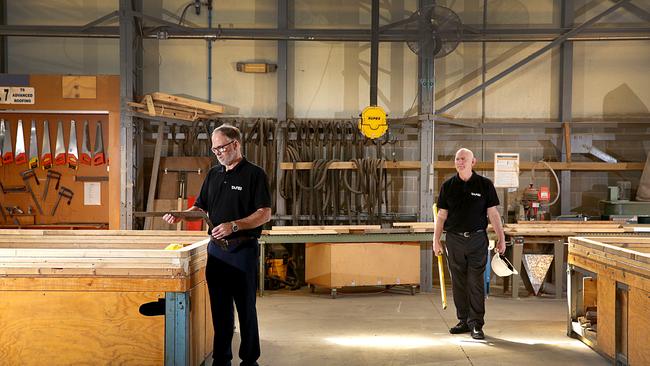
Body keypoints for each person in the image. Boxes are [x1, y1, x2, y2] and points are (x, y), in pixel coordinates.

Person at [163, 124, 271, 366]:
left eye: (222, 147)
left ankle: (249, 359)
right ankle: (221, 359)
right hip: (217, 253)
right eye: (214, 149)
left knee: (246, 309)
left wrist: (235, 225)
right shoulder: (213, 174)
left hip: (243, 250)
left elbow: (264, 213)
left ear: (235, 144)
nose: (218, 152)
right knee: (220, 310)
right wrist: (182, 215)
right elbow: (200, 208)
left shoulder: (255, 174)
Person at [433, 148, 506, 340]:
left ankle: (476, 324)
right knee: (458, 283)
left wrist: (501, 237)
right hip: (454, 240)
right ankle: (464, 320)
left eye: (464, 159)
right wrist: (436, 240)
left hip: (477, 240)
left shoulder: (484, 185)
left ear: (473, 162)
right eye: (457, 159)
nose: (460, 162)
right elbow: (441, 216)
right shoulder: (448, 186)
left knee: (475, 282)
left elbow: (493, 214)